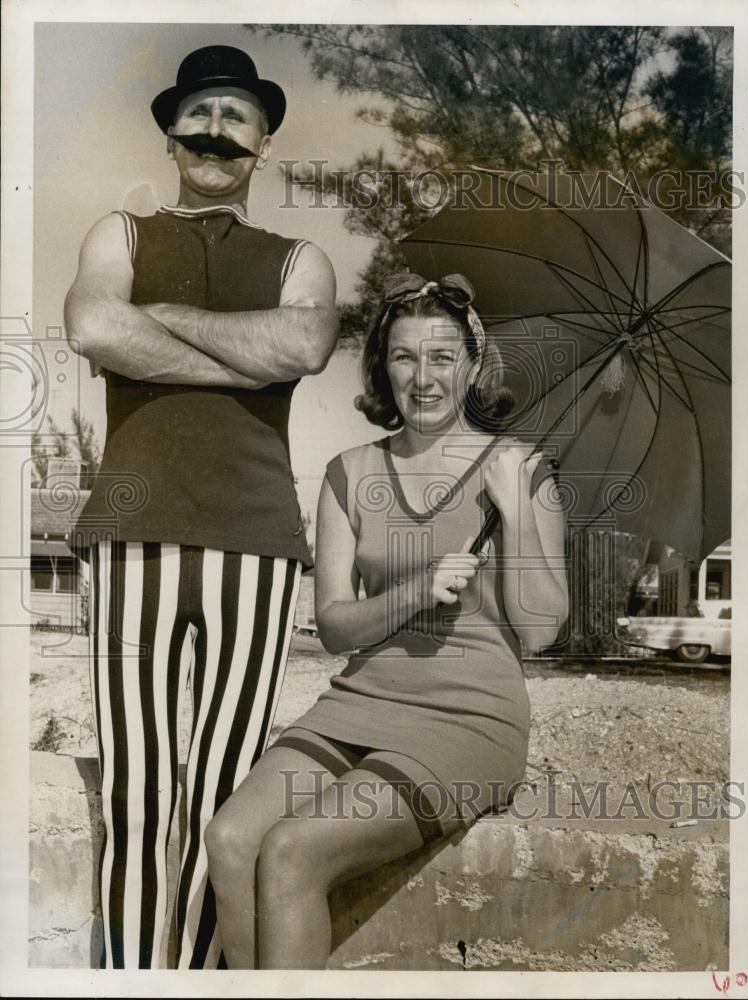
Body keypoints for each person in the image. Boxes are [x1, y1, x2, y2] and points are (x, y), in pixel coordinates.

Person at [204, 272, 569, 969]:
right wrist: (416, 590)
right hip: (360, 705)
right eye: (405, 357)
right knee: (231, 839)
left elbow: (543, 629)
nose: (423, 377)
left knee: (292, 850)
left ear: (470, 361)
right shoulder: (350, 472)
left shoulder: (519, 469)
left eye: (441, 357)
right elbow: (335, 627)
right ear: (383, 364)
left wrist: (518, 510)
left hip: (468, 720)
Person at [64, 45, 338, 969]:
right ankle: (137, 981)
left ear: (263, 143)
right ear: (170, 133)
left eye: (237, 116)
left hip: (256, 541)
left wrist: (163, 319)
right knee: (139, 790)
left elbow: (302, 345)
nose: (216, 130)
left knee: (223, 789)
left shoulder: (301, 257)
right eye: (201, 113)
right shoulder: (121, 233)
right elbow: (95, 326)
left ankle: (196, 982)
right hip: (131, 531)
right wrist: (239, 359)